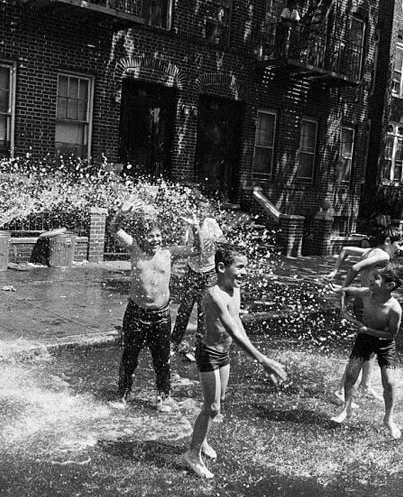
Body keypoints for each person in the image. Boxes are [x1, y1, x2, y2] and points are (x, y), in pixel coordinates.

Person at [181, 245, 288, 479]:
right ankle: (192, 454)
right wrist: (262, 360)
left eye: (245, 267)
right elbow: (231, 329)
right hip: (209, 352)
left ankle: (202, 437)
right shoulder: (213, 295)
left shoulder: (234, 290)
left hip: (224, 352)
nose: (245, 272)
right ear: (221, 268)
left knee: (218, 401)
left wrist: (260, 358)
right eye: (240, 267)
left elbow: (237, 325)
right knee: (212, 407)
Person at [112, 200, 199, 412]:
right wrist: (121, 214)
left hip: (160, 315)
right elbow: (114, 229)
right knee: (129, 356)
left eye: (158, 236)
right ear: (144, 237)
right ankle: (122, 396)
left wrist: (196, 229)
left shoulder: (168, 253)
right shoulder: (134, 248)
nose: (155, 240)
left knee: (162, 359)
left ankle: (164, 397)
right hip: (135, 313)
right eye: (151, 236)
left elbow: (196, 250)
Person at [332, 226, 403, 403]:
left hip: (364, 300)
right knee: (363, 349)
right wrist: (344, 289)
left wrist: (335, 270)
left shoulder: (370, 250)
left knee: (369, 348)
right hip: (367, 302)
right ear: (388, 242)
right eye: (400, 244)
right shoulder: (383, 255)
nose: (401, 249)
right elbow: (355, 267)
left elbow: (345, 250)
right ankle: (340, 391)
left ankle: (365, 385)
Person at [331, 262, 403, 439]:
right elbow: (348, 291)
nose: (371, 280)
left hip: (384, 343)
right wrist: (340, 291)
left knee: (390, 383)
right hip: (364, 339)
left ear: (389, 286)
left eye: (376, 278)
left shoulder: (394, 309)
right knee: (350, 375)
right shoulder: (366, 293)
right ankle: (347, 409)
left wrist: (368, 330)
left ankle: (388, 419)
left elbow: (391, 335)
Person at [170, 201, 225, 362]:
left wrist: (215, 241)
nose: (200, 212)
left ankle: (200, 345)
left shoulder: (211, 223)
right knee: (185, 308)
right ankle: (174, 342)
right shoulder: (189, 224)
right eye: (198, 209)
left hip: (209, 272)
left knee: (203, 309)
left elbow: (222, 241)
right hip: (193, 271)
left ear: (207, 211)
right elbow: (185, 246)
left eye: (204, 209)